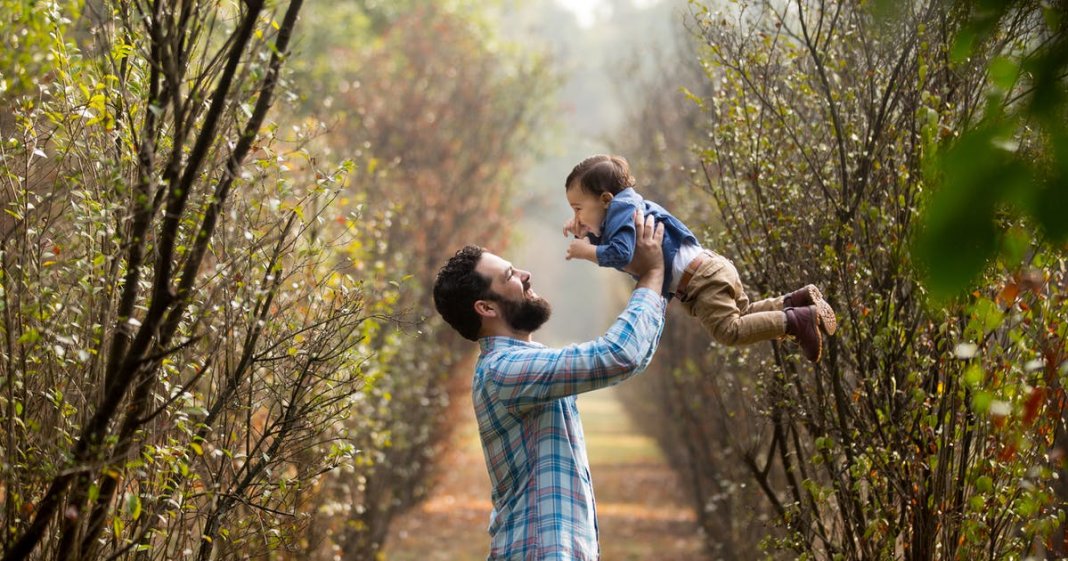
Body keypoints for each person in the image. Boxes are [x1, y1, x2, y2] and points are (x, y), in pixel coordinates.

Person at [433, 211, 667, 561]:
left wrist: (660, 289)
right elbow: (618, 356)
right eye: (509, 275)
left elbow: (631, 359)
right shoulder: (506, 370)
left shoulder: (521, 364)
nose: (526, 275)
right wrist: (652, 275)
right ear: (485, 307)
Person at [562, 154, 837, 363]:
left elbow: (620, 253)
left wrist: (587, 251)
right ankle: (794, 301)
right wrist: (588, 233)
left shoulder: (623, 211)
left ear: (606, 199)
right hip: (710, 268)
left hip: (702, 280)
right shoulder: (627, 209)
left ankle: (799, 320)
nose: (576, 218)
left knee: (730, 331)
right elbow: (620, 243)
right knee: (743, 315)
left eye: (578, 209)